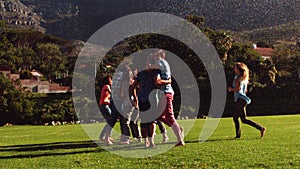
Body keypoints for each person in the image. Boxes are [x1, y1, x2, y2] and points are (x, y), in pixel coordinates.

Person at [153, 49, 185, 146]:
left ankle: (180, 140)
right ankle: (178, 129)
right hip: (166, 92)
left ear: (159, 55)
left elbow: (157, 81)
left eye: (154, 54)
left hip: (165, 93)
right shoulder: (165, 63)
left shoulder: (159, 62)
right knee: (160, 116)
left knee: (169, 116)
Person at [228, 62, 266, 138]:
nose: (234, 69)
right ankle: (238, 135)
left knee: (243, 119)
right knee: (235, 118)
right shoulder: (244, 78)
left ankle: (261, 128)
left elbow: (237, 89)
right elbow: (244, 90)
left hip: (240, 100)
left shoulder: (238, 78)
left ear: (239, 70)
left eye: (235, 68)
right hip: (242, 99)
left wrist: (230, 89)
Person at [98, 76, 117, 145]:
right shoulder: (106, 86)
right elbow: (112, 93)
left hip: (104, 105)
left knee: (110, 121)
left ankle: (104, 135)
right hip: (104, 105)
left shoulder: (105, 86)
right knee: (111, 120)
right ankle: (106, 136)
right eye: (111, 80)